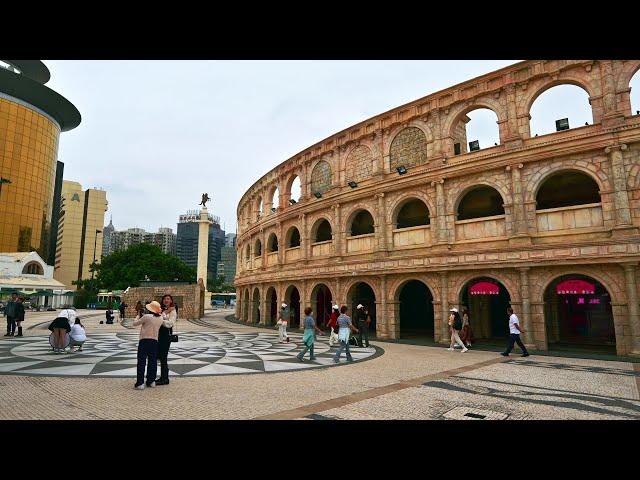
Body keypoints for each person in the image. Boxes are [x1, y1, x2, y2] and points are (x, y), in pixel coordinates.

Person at [132, 301, 164, 390]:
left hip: (144, 340)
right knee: (152, 362)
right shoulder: (161, 318)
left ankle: (140, 383)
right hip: (154, 341)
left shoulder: (146, 317)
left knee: (141, 362)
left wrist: (138, 316)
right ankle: (151, 381)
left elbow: (135, 323)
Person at [156, 294, 177, 386]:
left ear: (171, 301)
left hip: (165, 336)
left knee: (163, 357)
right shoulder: (161, 309)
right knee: (160, 356)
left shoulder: (173, 311)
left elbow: (170, 324)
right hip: (158, 335)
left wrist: (161, 319)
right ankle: (162, 377)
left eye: (168, 299)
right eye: (164, 299)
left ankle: (165, 378)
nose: (166, 300)